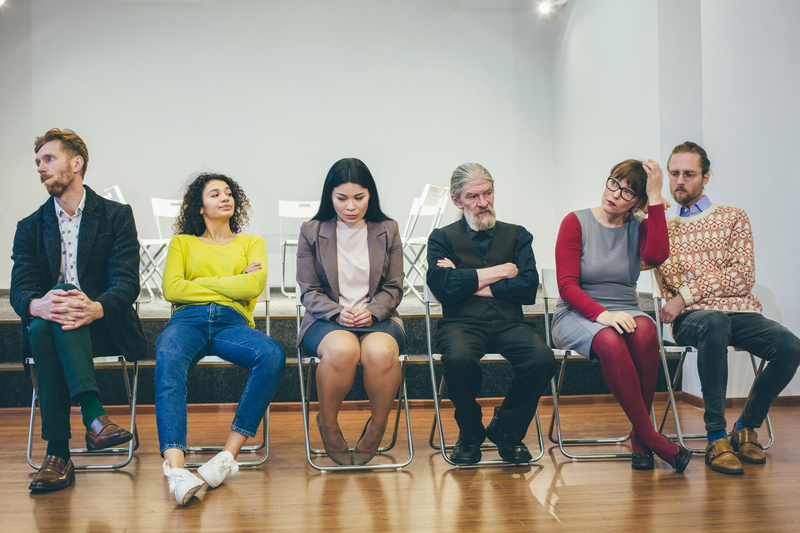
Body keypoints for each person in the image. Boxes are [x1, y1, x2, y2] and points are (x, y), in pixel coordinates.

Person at [10, 128, 147, 492]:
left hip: (105, 325)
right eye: (37, 162)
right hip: (53, 326)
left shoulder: (116, 216)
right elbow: (21, 289)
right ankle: (95, 420)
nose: (40, 168)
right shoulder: (29, 226)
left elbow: (126, 283)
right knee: (48, 315)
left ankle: (57, 455)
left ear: (77, 163)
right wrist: (38, 304)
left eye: (49, 159)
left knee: (54, 314)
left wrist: (95, 308)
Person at [657, 141, 800, 475]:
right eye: (674, 173)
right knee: (714, 322)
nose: (680, 181)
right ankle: (716, 437)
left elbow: (743, 277)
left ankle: (746, 426)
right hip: (694, 320)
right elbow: (652, 267)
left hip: (739, 312)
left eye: (689, 174)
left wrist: (684, 294)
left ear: (705, 177)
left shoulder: (733, 217)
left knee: (790, 347)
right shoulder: (662, 226)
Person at [552, 159, 692, 472]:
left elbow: (656, 256)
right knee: (610, 340)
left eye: (628, 192)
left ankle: (640, 440)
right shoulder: (575, 222)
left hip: (624, 308)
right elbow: (566, 287)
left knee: (645, 331)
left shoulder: (639, 226)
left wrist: (656, 197)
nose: (615, 193)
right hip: (577, 312)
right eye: (614, 182)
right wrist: (603, 315)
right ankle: (652, 439)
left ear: (638, 203)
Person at [155, 173, 286, 505]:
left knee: (271, 354)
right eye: (215, 194)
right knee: (168, 356)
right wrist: (231, 281)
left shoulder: (251, 242)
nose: (224, 198)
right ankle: (177, 470)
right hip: (187, 321)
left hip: (232, 323)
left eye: (228, 193)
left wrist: (198, 282)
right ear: (199, 207)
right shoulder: (182, 243)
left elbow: (253, 287)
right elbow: (171, 289)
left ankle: (227, 457)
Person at [426, 162, 556, 465]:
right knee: (458, 360)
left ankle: (507, 429)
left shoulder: (518, 235)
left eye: (487, 193)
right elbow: (443, 288)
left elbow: (526, 288)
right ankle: (469, 432)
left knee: (542, 359)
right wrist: (500, 272)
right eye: (472, 196)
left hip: (510, 323)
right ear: (457, 201)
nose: (482, 203)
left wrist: (465, 279)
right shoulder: (441, 238)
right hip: (460, 323)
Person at [296, 158, 405, 466]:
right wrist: (337, 313)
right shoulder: (312, 231)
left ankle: (377, 426)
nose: (351, 207)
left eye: (359, 197)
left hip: (379, 317)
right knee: (342, 351)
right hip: (326, 319)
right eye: (341, 198)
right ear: (329, 197)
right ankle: (328, 425)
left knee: (382, 354)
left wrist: (373, 311)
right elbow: (309, 290)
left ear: (371, 195)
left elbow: (394, 286)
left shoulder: (388, 229)